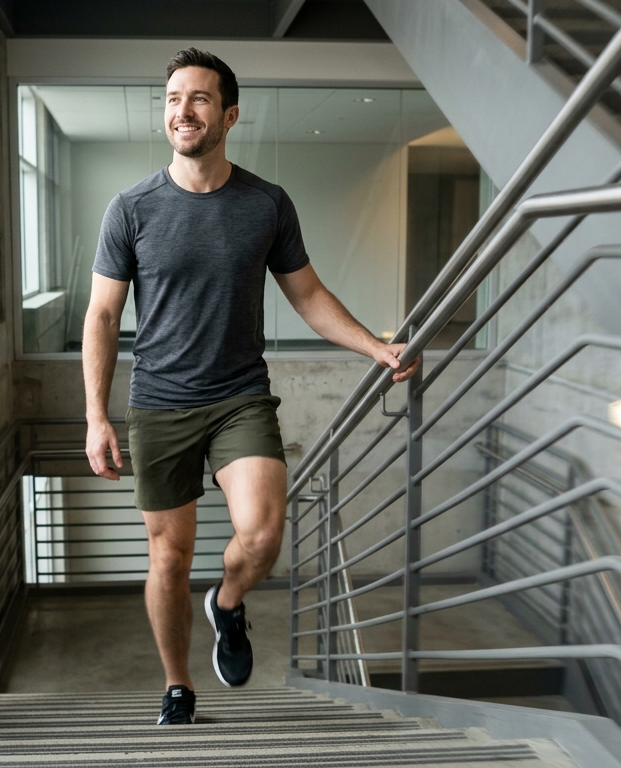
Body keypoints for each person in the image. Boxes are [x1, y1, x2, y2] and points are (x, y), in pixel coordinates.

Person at [82, 47, 420, 726]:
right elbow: (103, 316)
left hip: (239, 394)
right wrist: (96, 415)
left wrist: (376, 347)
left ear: (229, 115)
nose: (183, 111)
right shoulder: (131, 208)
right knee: (169, 558)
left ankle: (227, 603)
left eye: (199, 98)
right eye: (173, 98)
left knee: (262, 536)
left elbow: (309, 296)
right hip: (160, 402)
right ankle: (178, 686)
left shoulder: (266, 203)